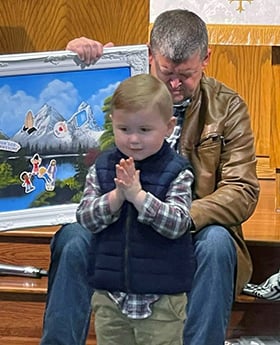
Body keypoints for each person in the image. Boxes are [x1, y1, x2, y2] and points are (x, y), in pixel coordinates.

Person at [40, 9, 260, 345]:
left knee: (217, 243)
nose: (174, 84)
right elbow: (77, 116)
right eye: (166, 72)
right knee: (73, 238)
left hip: (184, 227)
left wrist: (183, 217)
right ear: (148, 54)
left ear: (206, 59)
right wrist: (81, 60)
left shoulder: (226, 107)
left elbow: (241, 189)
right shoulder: (124, 84)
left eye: (185, 75)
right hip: (117, 222)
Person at [76, 73, 195, 345]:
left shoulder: (176, 171)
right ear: (112, 124)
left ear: (169, 127)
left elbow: (178, 223)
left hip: (162, 302)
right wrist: (118, 195)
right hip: (110, 298)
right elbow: (85, 218)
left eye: (144, 130)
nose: (133, 140)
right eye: (124, 129)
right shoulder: (104, 167)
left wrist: (139, 196)